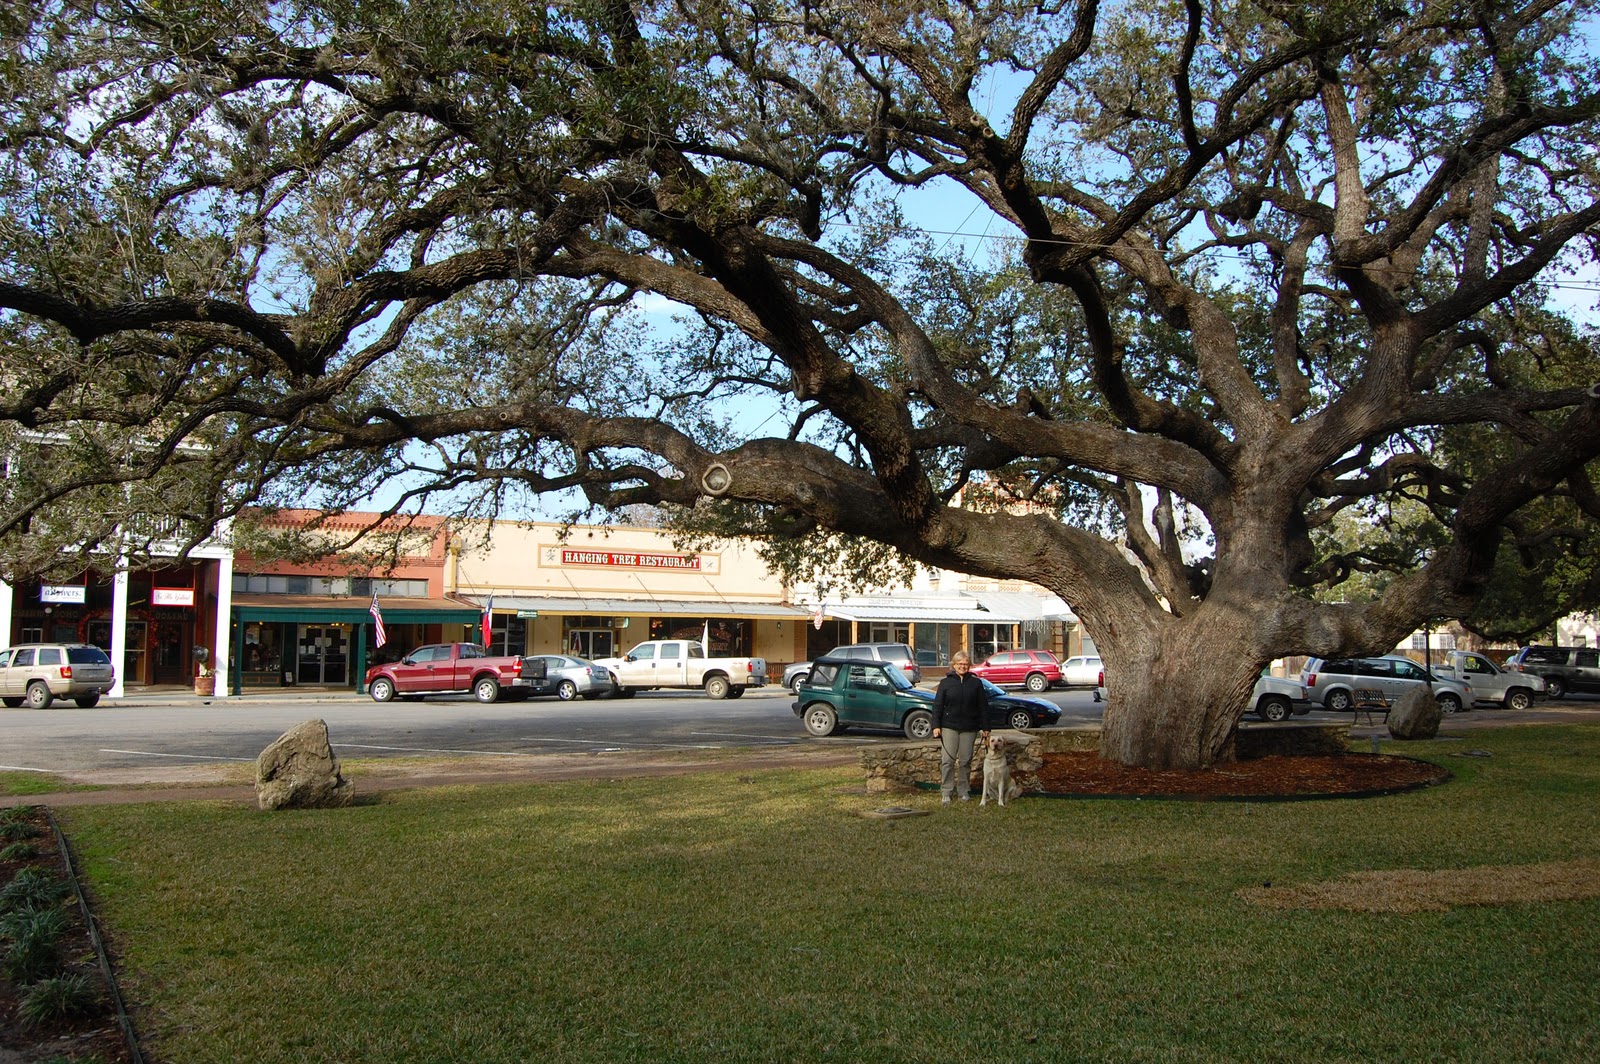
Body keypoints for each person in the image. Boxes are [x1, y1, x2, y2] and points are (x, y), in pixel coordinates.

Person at [931, 650, 991, 804]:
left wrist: (986, 728)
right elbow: (938, 706)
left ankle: (964, 790)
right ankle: (946, 791)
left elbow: (983, 707)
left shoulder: (976, 683)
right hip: (949, 726)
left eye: (966, 664)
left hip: (969, 728)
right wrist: (936, 725)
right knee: (948, 761)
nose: (963, 667)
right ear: (954, 665)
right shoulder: (946, 683)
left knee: (965, 761)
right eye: (960, 664)